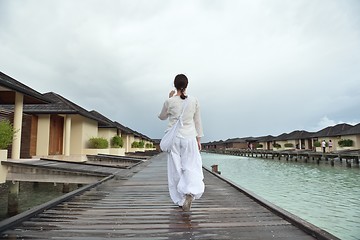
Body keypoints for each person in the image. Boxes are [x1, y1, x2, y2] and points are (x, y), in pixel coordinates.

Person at [158, 74, 205, 212]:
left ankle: (181, 199)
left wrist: (170, 97)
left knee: (176, 169)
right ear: (187, 85)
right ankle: (189, 192)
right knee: (190, 166)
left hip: (174, 139)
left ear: (175, 85)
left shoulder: (170, 101)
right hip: (189, 138)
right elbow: (198, 121)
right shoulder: (194, 100)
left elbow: (162, 117)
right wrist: (198, 140)